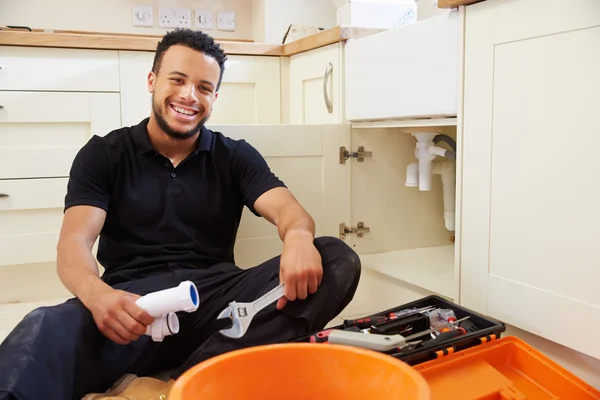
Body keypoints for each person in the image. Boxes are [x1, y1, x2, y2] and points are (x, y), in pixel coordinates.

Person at [0, 28, 361, 400]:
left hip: (217, 304)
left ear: (214, 97)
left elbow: (288, 211)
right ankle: (212, 374)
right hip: (132, 306)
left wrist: (299, 238)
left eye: (204, 87)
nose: (190, 95)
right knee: (42, 327)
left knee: (335, 258)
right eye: (178, 80)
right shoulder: (103, 154)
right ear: (153, 81)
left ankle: (183, 385)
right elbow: (74, 243)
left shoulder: (234, 155)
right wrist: (98, 296)